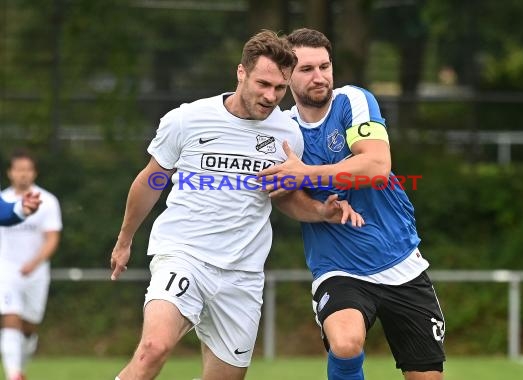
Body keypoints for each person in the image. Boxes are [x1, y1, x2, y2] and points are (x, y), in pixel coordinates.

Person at [109, 30, 362, 380]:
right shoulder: (187, 119)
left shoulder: (288, 136)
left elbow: (284, 197)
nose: (270, 96)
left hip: (242, 273)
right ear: (241, 72)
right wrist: (125, 239)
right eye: (263, 84)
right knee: (154, 347)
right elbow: (152, 180)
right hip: (185, 254)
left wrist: (320, 212)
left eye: (280, 88)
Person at [258, 28, 446, 380]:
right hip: (338, 267)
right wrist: (320, 211)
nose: (320, 77)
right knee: (346, 343)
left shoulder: (352, 102)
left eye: (325, 67)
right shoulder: (280, 129)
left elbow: (376, 167)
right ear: (286, 75)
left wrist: (306, 174)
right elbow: (282, 195)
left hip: (400, 260)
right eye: (306, 69)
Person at [0, 149, 62, 380]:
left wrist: (34, 263)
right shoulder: (3, 198)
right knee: (10, 317)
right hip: (6, 271)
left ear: (34, 173)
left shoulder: (47, 201)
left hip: (36, 273)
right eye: (18, 170)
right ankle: (13, 374)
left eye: (27, 170)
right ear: (10, 173)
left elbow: (52, 237)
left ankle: (20, 368)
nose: (23, 175)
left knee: (28, 327)